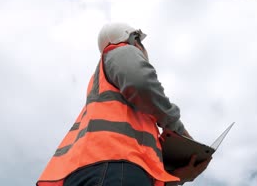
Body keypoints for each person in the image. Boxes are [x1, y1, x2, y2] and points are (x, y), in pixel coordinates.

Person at [37, 22, 211, 186]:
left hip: (88, 170)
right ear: (134, 40)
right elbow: (141, 83)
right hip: (114, 165)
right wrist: (177, 130)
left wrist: (178, 176)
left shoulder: (108, 98)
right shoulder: (121, 50)